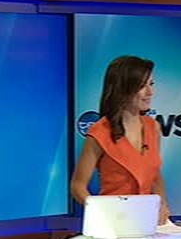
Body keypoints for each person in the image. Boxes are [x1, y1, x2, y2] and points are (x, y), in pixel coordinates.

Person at [71, 55, 171, 225]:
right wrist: (101, 213)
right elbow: (77, 187)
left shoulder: (153, 127)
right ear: (123, 89)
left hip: (148, 222)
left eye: (151, 84)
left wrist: (161, 204)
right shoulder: (100, 132)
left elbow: (155, 176)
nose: (150, 92)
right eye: (142, 86)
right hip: (115, 223)